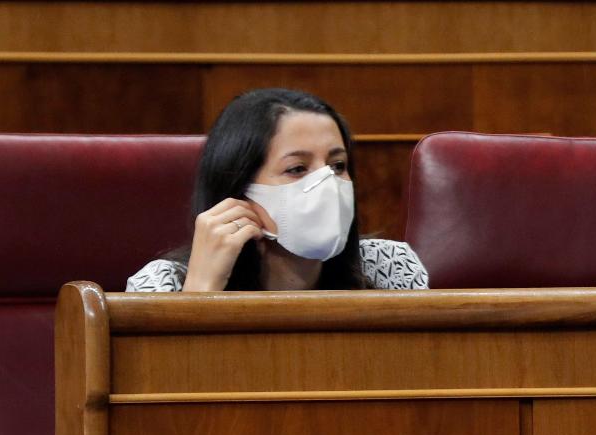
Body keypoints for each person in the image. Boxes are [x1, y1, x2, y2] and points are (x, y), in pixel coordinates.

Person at [127, 88, 429, 292]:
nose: (327, 185)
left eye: (337, 166)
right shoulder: (162, 284)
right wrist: (202, 291)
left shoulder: (387, 267)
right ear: (240, 191)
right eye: (297, 169)